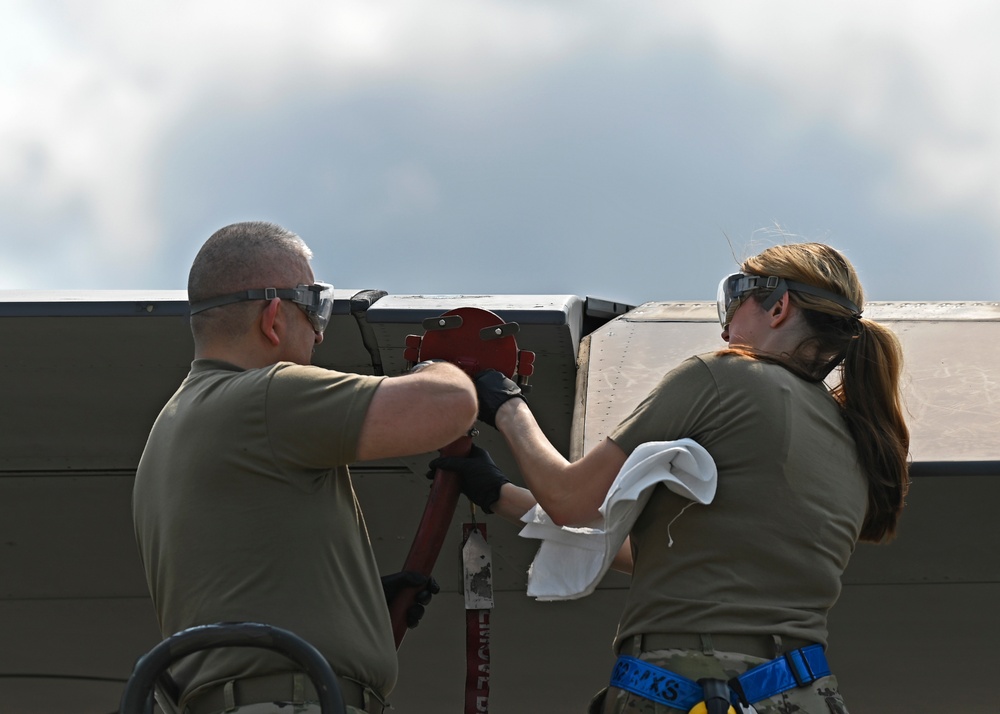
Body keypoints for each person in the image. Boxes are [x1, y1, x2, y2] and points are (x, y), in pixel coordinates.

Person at [449, 243, 909, 714]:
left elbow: (570, 498)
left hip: (691, 682)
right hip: (805, 693)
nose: (727, 327)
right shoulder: (854, 436)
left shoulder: (725, 377)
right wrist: (498, 493)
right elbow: (664, 553)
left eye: (737, 301)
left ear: (778, 306)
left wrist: (505, 405)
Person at [132, 221, 479, 714]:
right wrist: (439, 367)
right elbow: (450, 405)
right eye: (314, 308)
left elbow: (242, 575)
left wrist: (350, 608)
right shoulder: (267, 396)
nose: (318, 334)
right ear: (273, 317)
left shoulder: (168, 430)